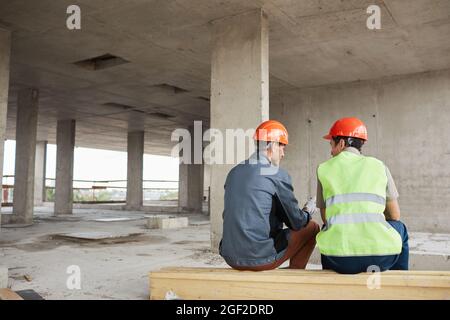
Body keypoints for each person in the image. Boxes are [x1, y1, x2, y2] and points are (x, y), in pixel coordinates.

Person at [220, 120, 320, 271]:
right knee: (312, 227)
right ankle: (295, 275)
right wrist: (307, 211)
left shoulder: (233, 172)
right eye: (282, 147)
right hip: (258, 258)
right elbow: (296, 222)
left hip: (229, 255)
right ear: (273, 144)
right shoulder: (276, 174)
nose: (283, 153)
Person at [316, 117, 409, 274]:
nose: (331, 151)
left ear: (342, 143)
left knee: (328, 229)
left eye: (331, 144)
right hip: (381, 258)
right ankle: (400, 280)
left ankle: (332, 285)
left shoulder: (324, 169)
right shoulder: (379, 166)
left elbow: (326, 218)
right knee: (401, 228)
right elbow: (395, 215)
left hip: (338, 260)